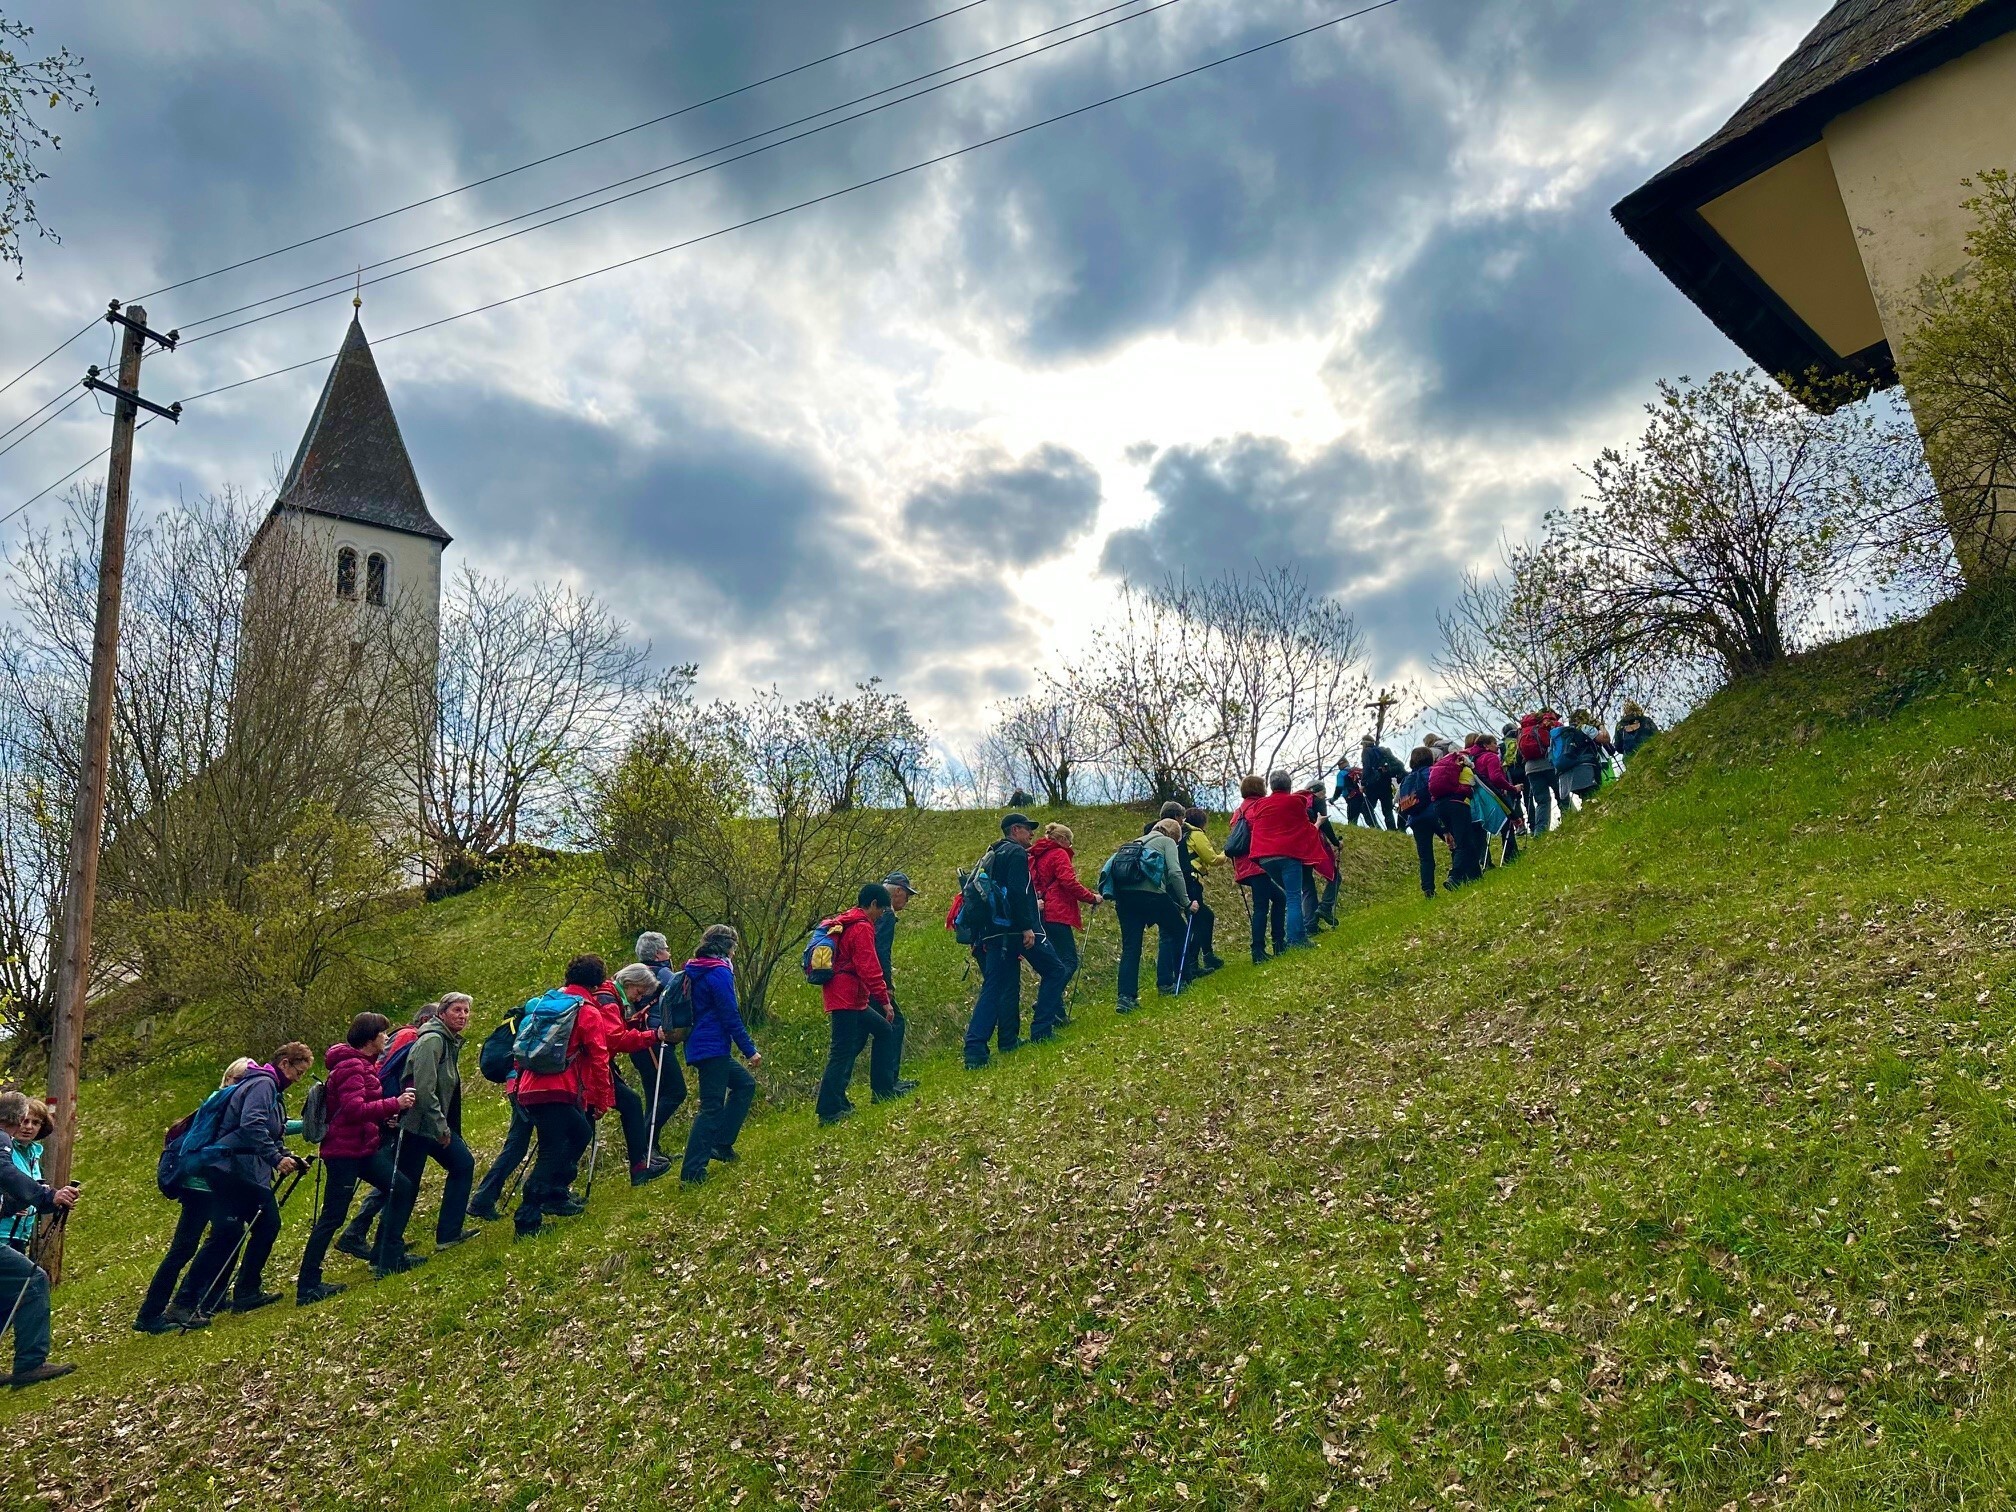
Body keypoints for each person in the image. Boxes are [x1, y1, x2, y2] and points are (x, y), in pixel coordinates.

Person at [512, 956, 670, 1238]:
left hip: (530, 1087)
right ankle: (528, 1219)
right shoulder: (587, 1011)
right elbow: (599, 1059)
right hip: (557, 1089)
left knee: (579, 1133)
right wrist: (601, 1100)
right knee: (552, 1150)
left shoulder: (549, 1002)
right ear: (598, 981)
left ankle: (555, 1194)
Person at [177, 1043, 313, 1316]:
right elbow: (251, 1125)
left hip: (233, 1167)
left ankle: (225, 1294)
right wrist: (276, 1159)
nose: (298, 1079)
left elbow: (271, 1131)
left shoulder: (272, 1090)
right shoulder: (264, 1085)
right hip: (227, 1167)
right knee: (253, 1226)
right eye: (298, 1072)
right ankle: (193, 1301)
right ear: (284, 1063)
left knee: (233, 1232)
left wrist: (287, 1155)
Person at [296, 1014, 418, 1305]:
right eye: (382, 1033)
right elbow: (353, 1109)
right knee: (332, 1217)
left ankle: (388, 1256)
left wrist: (383, 1116)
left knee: (400, 1186)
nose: (387, 1038)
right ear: (369, 1039)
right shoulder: (352, 1066)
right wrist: (395, 1104)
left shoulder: (361, 1064)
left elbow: (361, 1109)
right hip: (344, 1153)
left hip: (362, 1147)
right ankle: (308, 1286)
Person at [134, 1057, 254, 1333]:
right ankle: (155, 1313)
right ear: (228, 1080)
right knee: (190, 1246)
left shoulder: (220, 1105)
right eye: (240, 1079)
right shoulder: (219, 1104)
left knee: (225, 1235)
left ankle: (208, 1297)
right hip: (200, 1186)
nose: (244, 1085)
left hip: (203, 1186)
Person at [371, 993, 478, 1274]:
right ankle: (387, 1258)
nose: (463, 1016)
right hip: (419, 1125)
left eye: (466, 1011)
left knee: (452, 1168)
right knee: (407, 1187)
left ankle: (440, 1236)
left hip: (425, 1125)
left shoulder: (446, 1040)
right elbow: (425, 1089)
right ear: (442, 1012)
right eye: (457, 1010)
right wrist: (441, 1127)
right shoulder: (432, 1041)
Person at [963, 813, 1067, 1070]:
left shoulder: (993, 853)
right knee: (1056, 970)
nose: (1032, 834)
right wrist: (1026, 927)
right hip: (1013, 930)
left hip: (993, 930)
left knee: (998, 986)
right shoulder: (1016, 854)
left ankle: (989, 1046)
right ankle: (1041, 1029)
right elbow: (1018, 893)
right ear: (1015, 830)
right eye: (1028, 829)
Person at [0, 1088, 80, 1387]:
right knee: (32, 1280)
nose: (28, 1126)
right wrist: (46, 1197)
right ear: (18, 1118)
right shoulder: (1, 1140)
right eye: (26, 1119)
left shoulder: (29, 1152)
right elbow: (6, 1173)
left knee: (7, 1296)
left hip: (13, 1232)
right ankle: (30, 1364)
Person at [813, 884, 902, 1125]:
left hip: (848, 996)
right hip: (846, 996)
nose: (882, 915)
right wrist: (885, 1001)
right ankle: (829, 1110)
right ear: (872, 904)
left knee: (884, 1030)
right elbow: (869, 967)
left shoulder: (847, 921)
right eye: (881, 909)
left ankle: (880, 1090)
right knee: (841, 1050)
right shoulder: (862, 927)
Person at [680, 925, 760, 1185]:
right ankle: (692, 1172)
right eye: (734, 948)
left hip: (700, 1044)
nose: (735, 954)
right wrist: (750, 1050)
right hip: (711, 1046)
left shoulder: (695, 969)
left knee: (744, 1085)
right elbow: (730, 1015)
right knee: (711, 1107)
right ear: (727, 947)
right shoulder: (718, 973)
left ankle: (722, 1144)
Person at [1105, 817, 1194, 1013]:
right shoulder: (1167, 841)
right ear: (1173, 834)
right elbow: (1175, 873)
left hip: (1125, 899)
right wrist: (1186, 902)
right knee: (1179, 931)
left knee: (1131, 947)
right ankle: (1182, 980)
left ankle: (1126, 997)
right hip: (1151, 895)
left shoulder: (1135, 842)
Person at [599, 966, 675, 1186]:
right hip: (593, 1066)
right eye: (639, 992)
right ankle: (639, 1165)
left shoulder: (610, 996)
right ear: (629, 983)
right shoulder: (610, 1001)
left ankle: (640, 1163)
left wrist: (632, 1024)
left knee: (631, 1102)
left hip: (599, 1064)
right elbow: (617, 1039)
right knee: (631, 1103)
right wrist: (651, 1035)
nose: (638, 998)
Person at [1245, 770, 1335, 950]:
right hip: (1287, 855)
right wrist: (1318, 823)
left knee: (1291, 894)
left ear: (1271, 785)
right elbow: (1305, 829)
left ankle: (1295, 935)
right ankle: (1296, 940)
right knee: (1294, 896)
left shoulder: (1260, 804)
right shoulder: (1296, 801)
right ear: (1289, 785)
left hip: (1264, 858)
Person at [1028, 825, 1100, 1013]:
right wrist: (1091, 897)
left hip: (1042, 911)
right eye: (1070, 840)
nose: (1071, 845)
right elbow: (1068, 882)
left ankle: (1057, 1013)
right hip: (1058, 912)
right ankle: (1047, 999)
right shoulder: (1059, 854)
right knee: (1069, 961)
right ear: (1061, 839)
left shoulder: (1037, 855)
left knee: (1055, 963)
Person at [870, 875, 922, 1091]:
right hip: (873, 981)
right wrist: (886, 985)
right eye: (907, 896)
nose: (907, 901)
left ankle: (884, 1084)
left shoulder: (869, 911)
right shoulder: (887, 914)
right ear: (898, 892)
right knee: (894, 1024)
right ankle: (887, 1085)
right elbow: (882, 951)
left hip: (861, 980)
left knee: (860, 1036)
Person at [1229, 774, 1287, 962]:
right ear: (1259, 788)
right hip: (1257, 863)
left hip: (1244, 865)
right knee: (1262, 906)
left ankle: (1274, 944)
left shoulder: (1239, 811)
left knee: (1278, 898)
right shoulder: (1258, 807)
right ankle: (1260, 949)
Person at [1427, 744, 1486, 887]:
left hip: (1439, 806)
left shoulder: (1442, 770)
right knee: (1464, 843)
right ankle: (1455, 877)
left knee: (1468, 843)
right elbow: (1472, 785)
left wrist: (1445, 830)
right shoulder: (1465, 769)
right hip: (1458, 805)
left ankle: (1476, 877)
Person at [1182, 807, 1228, 974]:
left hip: (1182, 882)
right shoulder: (1196, 834)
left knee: (1204, 917)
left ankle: (1206, 956)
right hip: (1192, 882)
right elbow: (1212, 859)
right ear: (1202, 822)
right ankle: (1195, 962)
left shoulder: (1182, 834)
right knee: (1198, 921)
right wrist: (1226, 853)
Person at [3, 1098, 51, 1254]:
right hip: (3, 1232)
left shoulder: (34, 1154)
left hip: (21, 1234)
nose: (29, 1127)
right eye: (25, 1121)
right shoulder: (4, 1150)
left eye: (36, 1123)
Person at [1468, 732, 1521, 866]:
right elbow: (1495, 777)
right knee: (1506, 822)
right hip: (1492, 793)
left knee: (1480, 829)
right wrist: (1511, 788)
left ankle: (1486, 862)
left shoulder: (1473, 759)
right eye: (1494, 743)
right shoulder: (1490, 757)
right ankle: (1511, 855)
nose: (1497, 747)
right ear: (1486, 745)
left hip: (1476, 797)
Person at [1396, 747, 1440, 900]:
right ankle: (1458, 876)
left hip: (1415, 819)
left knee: (1425, 856)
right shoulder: (1433, 771)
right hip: (1434, 813)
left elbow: (1399, 800)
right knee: (1454, 842)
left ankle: (1428, 889)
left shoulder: (1407, 779)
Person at [1302, 788, 1344, 929]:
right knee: (1335, 877)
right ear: (1317, 791)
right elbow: (1324, 822)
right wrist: (1336, 842)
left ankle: (1310, 925)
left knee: (1307, 886)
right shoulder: (1316, 800)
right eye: (1324, 792)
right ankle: (1325, 907)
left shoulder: (1298, 802)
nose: (1325, 796)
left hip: (1297, 848)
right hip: (1314, 844)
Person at [1552, 708, 1603, 814]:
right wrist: (1600, 725)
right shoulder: (1585, 728)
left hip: (1567, 775)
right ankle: (1592, 819)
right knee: (1593, 797)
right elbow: (1605, 738)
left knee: (1586, 798)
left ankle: (1587, 818)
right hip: (1587, 769)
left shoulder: (1564, 734)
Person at [1517, 710, 1559, 834]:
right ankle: (1570, 819)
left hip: (1530, 769)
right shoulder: (1541, 728)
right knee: (1560, 793)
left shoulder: (1521, 732)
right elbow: (1548, 744)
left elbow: (1519, 754)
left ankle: (1540, 832)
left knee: (1542, 801)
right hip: (1548, 765)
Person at [1359, 736, 1403, 830]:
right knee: (1387, 810)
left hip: (1373, 785)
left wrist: (1363, 783)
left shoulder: (1366, 751)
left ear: (1365, 743)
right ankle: (1392, 830)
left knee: (1366, 808)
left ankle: (1375, 828)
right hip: (1386, 783)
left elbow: (1367, 768)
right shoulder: (1383, 751)